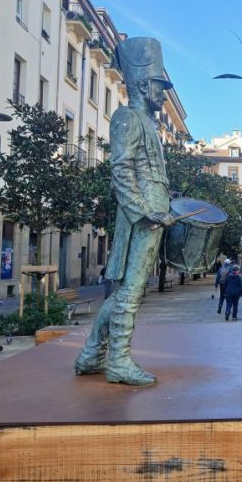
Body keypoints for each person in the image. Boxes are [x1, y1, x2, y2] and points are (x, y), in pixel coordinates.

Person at [74, 37, 175, 386]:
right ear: (144, 84)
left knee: (125, 292)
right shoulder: (127, 117)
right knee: (131, 291)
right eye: (160, 87)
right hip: (141, 218)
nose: (163, 95)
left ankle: (90, 354)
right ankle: (117, 360)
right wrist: (147, 211)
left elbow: (147, 172)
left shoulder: (147, 122)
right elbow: (121, 170)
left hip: (152, 212)